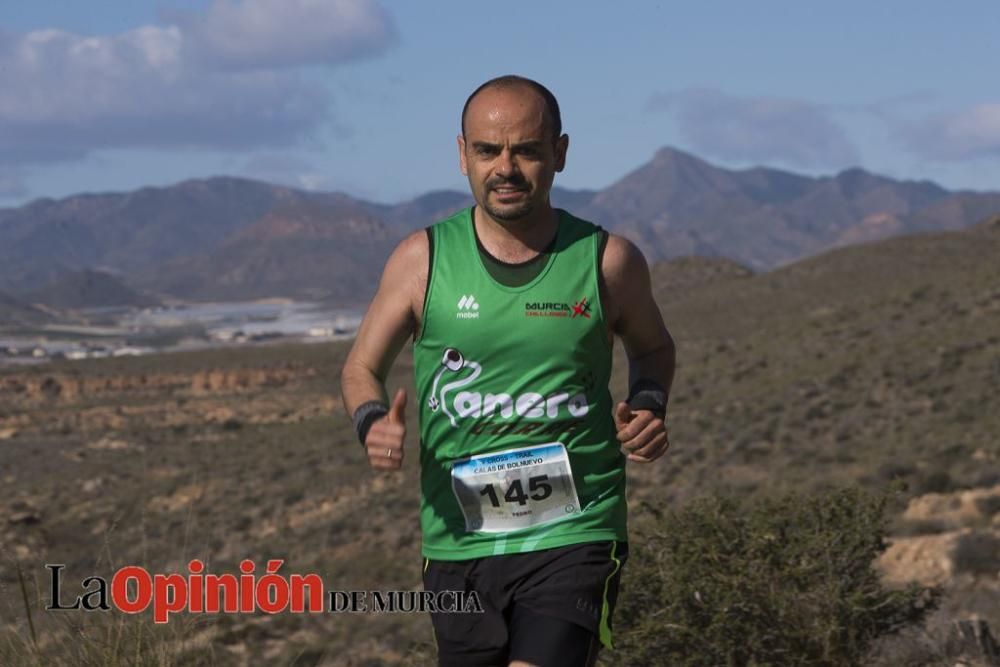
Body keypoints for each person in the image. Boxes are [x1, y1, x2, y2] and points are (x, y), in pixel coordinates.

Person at [341, 75, 675, 667]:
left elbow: (652, 350)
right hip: (458, 539)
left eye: (526, 150)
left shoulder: (607, 261)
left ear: (560, 154)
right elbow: (361, 367)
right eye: (488, 150)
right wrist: (372, 422)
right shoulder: (422, 260)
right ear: (462, 155)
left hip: (574, 531)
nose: (506, 168)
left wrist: (649, 404)